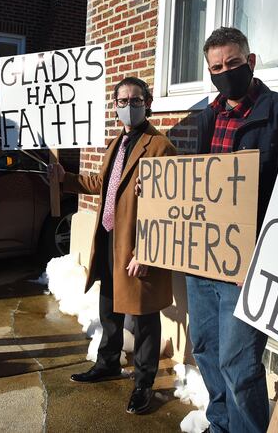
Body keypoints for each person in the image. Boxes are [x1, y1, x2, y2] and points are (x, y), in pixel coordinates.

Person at [189, 27, 278, 432]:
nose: (225, 72)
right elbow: (189, 183)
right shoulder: (206, 117)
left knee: (239, 365)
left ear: (250, 62)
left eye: (233, 63)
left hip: (245, 267)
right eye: (216, 67)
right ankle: (220, 425)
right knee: (205, 350)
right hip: (201, 263)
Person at [48, 76, 176, 414]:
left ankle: (144, 384)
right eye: (122, 101)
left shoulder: (160, 146)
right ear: (114, 105)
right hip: (109, 240)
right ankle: (107, 362)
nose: (128, 106)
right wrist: (66, 179)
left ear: (148, 103)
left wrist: (148, 251)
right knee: (109, 308)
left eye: (135, 100)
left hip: (136, 247)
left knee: (145, 316)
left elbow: (167, 208)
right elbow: (103, 184)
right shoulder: (117, 142)